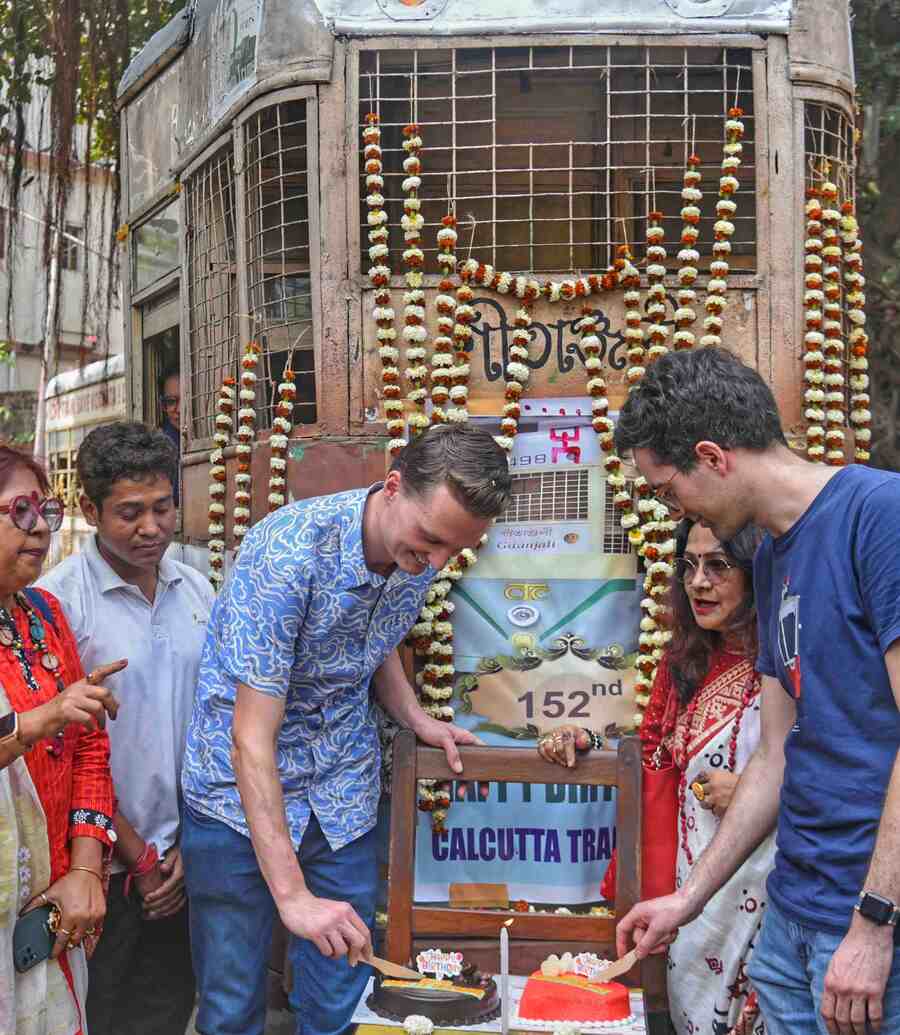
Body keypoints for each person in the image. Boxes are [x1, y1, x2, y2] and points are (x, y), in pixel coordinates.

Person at [181, 422, 512, 1035]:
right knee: (231, 1007)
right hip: (238, 799)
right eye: (431, 541)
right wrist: (292, 897)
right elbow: (250, 741)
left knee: (343, 1003)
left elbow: (369, 634)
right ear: (392, 487)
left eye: (453, 553)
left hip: (341, 794)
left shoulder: (414, 552)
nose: (435, 563)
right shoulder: (285, 556)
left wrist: (413, 715)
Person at [612, 346, 900, 1035]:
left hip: (865, 926)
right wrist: (686, 898)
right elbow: (775, 755)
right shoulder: (771, 550)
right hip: (794, 912)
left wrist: (875, 922)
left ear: (711, 456)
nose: (669, 505)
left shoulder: (878, 514)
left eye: (665, 487)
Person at [540, 518, 772, 1034]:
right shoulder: (683, 661)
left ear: (759, 573)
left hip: (771, 882)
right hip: (699, 885)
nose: (698, 582)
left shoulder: (786, 660)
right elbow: (656, 753)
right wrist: (591, 742)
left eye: (718, 565)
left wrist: (752, 791)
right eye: (688, 566)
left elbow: (828, 763)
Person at [38, 421, 214, 1035]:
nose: (151, 528)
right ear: (89, 509)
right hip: (98, 870)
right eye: (129, 513)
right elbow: (64, 754)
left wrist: (192, 844)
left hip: (186, 860)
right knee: (97, 1015)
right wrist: (136, 854)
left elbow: (215, 722)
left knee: (166, 1014)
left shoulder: (195, 587)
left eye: (163, 508)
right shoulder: (57, 604)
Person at [0, 445, 122, 1035]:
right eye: (21, 511)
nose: (43, 526)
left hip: (51, 908)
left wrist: (85, 870)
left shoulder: (43, 613)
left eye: (45, 508)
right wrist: (39, 720)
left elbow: (91, 749)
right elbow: (55, 722)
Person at [159, 370, 181, 506]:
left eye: (185, 399)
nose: (178, 409)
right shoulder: (159, 446)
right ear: (163, 406)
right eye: (171, 401)